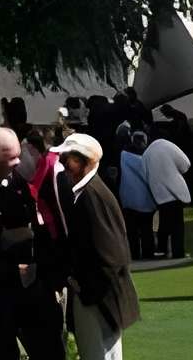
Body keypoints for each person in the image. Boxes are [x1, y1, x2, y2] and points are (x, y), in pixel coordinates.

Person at [53, 134, 139, 360]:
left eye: (67, 158)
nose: (62, 163)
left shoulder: (92, 195)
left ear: (83, 161)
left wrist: (87, 288)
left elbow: (114, 255)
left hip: (98, 296)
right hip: (95, 294)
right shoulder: (87, 192)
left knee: (100, 353)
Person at [0, 127, 62, 360]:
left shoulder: (20, 180)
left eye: (18, 155)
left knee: (49, 347)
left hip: (33, 281)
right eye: (9, 158)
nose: (17, 162)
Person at [141, 129, 189, 260]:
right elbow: (185, 165)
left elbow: (144, 175)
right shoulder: (168, 146)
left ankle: (161, 250)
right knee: (177, 224)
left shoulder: (147, 153)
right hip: (176, 192)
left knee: (165, 222)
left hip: (159, 194)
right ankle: (178, 252)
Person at [115, 135, 155, 261]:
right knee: (146, 229)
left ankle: (135, 254)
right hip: (145, 199)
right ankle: (148, 253)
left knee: (132, 230)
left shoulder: (122, 156)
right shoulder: (147, 158)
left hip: (127, 198)